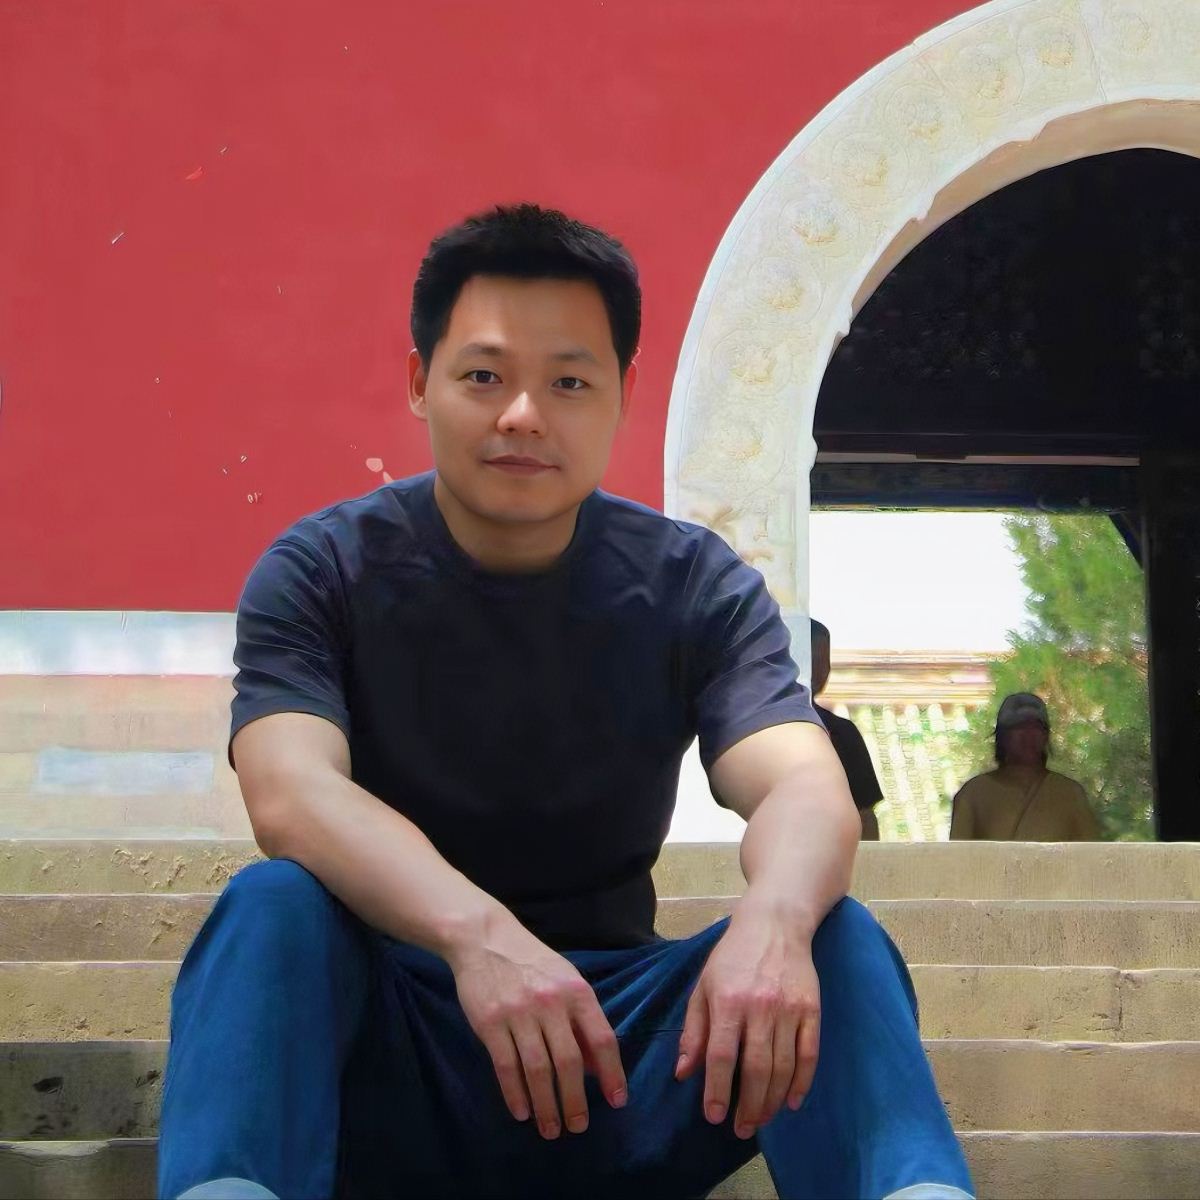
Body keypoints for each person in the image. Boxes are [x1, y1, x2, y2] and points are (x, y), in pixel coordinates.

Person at [158, 205, 974, 1200]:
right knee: (272, 908)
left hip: (622, 1062)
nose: (522, 415)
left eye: (570, 382)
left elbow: (802, 785)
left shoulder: (694, 585)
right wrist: (477, 937)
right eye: (483, 376)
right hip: (396, 1050)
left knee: (829, 933)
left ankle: (912, 1189)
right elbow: (290, 792)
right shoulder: (321, 570)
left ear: (623, 395)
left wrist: (774, 921)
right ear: (419, 381)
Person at [949, 692, 1099, 841]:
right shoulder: (974, 794)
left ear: (1046, 736)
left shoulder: (1070, 794)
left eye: (1036, 727)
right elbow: (959, 853)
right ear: (1002, 736)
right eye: (1019, 727)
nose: (1028, 735)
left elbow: (1090, 851)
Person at [810, 619, 884, 841]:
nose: (822, 670)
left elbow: (864, 814)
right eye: (813, 660)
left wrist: (869, 858)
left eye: (825, 661)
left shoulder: (843, 732)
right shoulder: (757, 731)